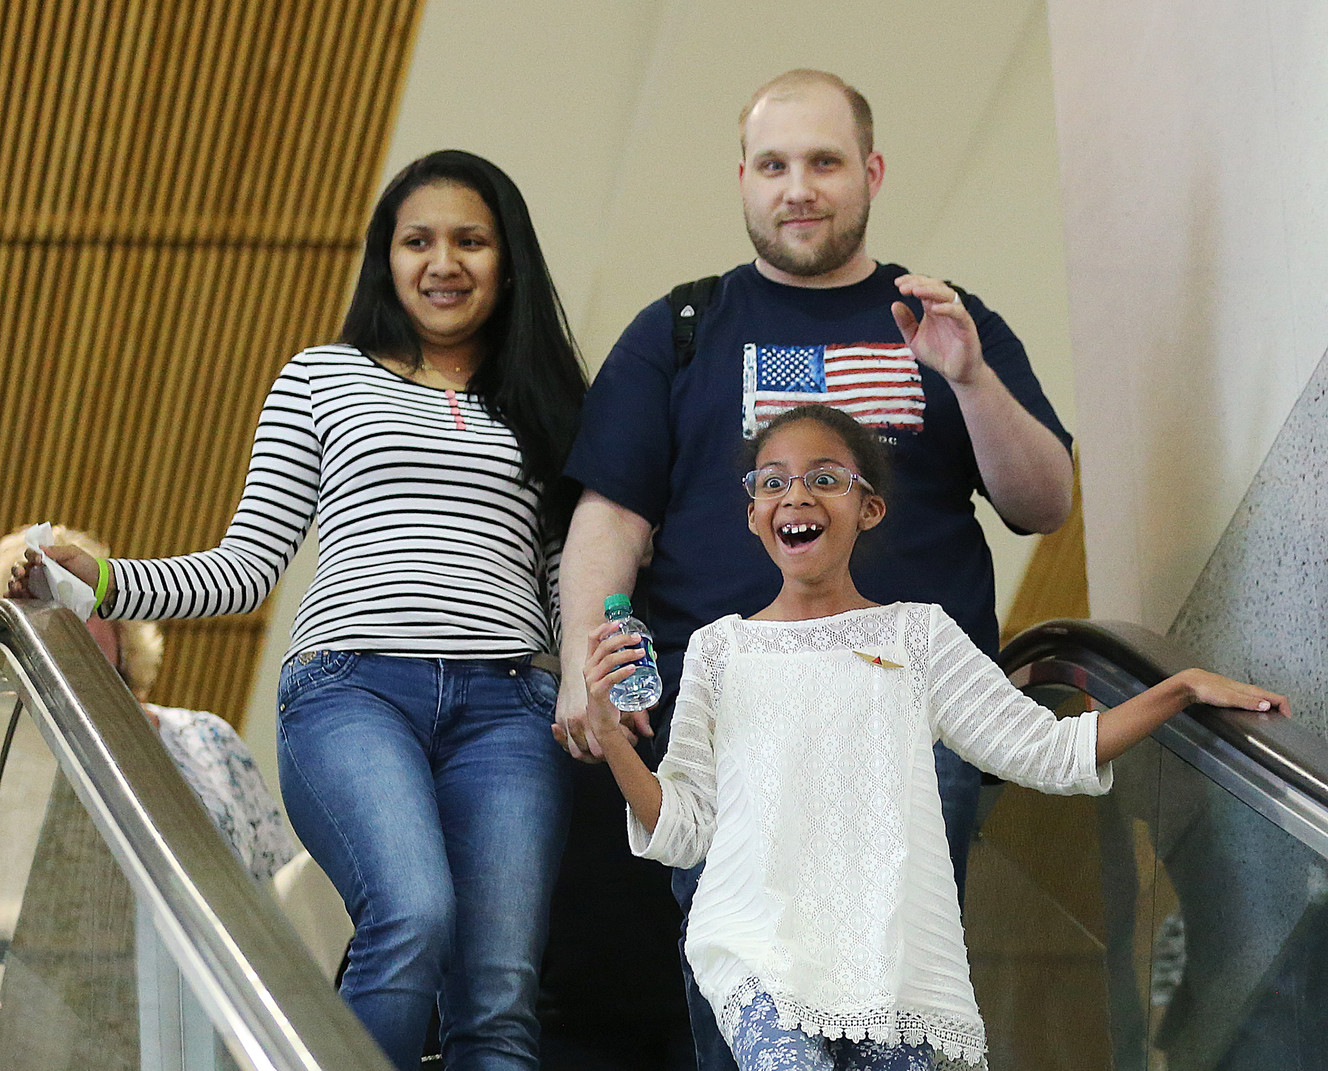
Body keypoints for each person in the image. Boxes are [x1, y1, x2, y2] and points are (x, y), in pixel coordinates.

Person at [8, 150, 587, 1071]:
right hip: (354, 696)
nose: (443, 261)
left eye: (470, 240)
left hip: (509, 711)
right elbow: (242, 568)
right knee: (412, 912)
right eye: (417, 241)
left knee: (500, 992)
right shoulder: (323, 376)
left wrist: (590, 685)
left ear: (507, 259)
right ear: (385, 259)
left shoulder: (547, 405)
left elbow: (570, 582)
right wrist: (101, 579)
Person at [555, 68, 1074, 1069]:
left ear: (869, 173)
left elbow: (1040, 502)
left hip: (907, 723)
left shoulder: (944, 320)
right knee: (741, 1016)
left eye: (824, 162)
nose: (798, 188)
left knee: (899, 1012)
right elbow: (608, 520)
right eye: (773, 165)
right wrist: (589, 657)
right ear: (741, 180)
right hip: (726, 727)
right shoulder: (681, 330)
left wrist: (967, 377)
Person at [581, 404, 1289, 1071]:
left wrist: (1180, 688)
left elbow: (1050, 749)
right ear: (754, 513)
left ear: (870, 508)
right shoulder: (718, 650)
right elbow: (682, 831)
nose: (795, 496)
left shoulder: (917, 635)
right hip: (757, 954)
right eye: (773, 482)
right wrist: (612, 735)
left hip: (893, 970)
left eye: (825, 478)